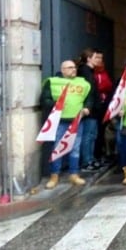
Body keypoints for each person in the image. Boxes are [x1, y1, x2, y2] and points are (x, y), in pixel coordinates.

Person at [40, 60, 93, 189]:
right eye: (69, 68)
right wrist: (55, 105)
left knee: (75, 148)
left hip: (77, 121)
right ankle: (54, 175)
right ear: (62, 70)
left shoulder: (83, 83)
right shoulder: (52, 82)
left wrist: (87, 107)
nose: (73, 69)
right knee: (58, 147)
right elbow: (44, 99)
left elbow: (89, 98)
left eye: (74, 67)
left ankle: (74, 174)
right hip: (60, 121)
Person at [76, 48, 102, 171]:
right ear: (89, 59)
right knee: (88, 135)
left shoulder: (89, 71)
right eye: (96, 57)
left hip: (94, 108)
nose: (98, 60)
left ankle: (90, 159)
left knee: (92, 135)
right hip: (90, 109)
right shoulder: (85, 71)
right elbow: (89, 91)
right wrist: (89, 106)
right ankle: (86, 161)